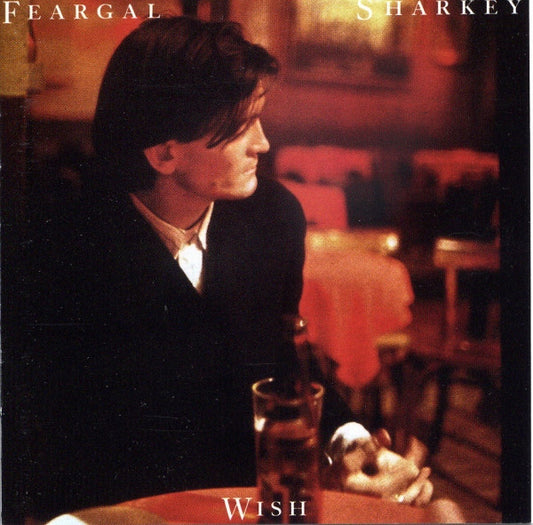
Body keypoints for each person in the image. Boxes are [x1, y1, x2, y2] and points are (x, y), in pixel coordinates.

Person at [12, 16, 432, 522]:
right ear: (164, 152)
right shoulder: (55, 244)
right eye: (240, 127)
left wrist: (349, 445)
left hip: (243, 506)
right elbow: (38, 433)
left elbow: (282, 361)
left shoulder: (274, 218)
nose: (263, 143)